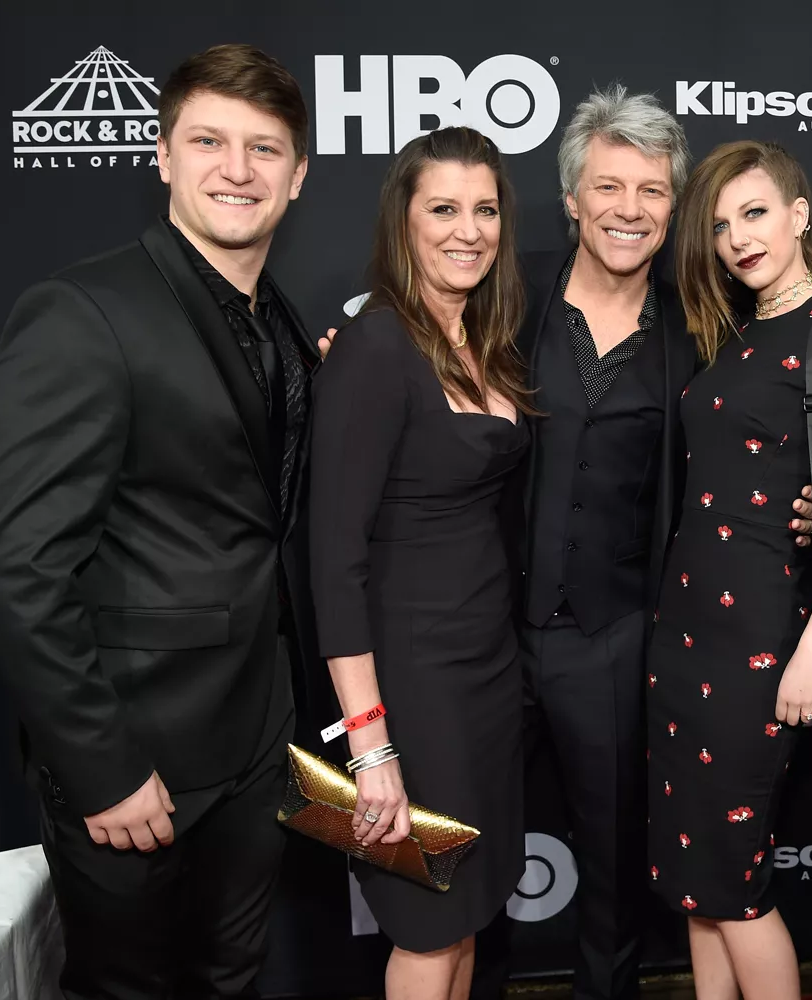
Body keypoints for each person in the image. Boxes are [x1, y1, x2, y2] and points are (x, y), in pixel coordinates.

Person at [0, 44, 318, 999]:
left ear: (298, 176)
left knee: (231, 979)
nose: (237, 169)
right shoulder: (84, 311)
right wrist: (101, 768)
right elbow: (22, 572)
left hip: (256, 746)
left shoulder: (282, 321)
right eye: (209, 141)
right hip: (139, 756)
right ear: (163, 156)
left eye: (264, 148)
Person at [470, 87, 812, 1000]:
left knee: (617, 874)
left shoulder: (703, 329)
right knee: (471, 864)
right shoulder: (503, 293)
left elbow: (774, 439)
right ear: (572, 200)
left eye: (652, 192)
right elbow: (411, 374)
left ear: (674, 208)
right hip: (487, 633)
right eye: (608, 187)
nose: (630, 209)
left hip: (619, 636)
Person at [646, 140, 812, 1000]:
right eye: (718, 225)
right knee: (698, 882)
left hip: (761, 643)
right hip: (682, 641)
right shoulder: (737, 336)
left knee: (736, 889)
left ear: (800, 215)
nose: (738, 238)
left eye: (754, 213)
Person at [308, 126, 531, 1000]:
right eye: (442, 208)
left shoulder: (488, 338)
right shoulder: (375, 347)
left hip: (487, 675)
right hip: (410, 685)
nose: (467, 230)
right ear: (403, 220)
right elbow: (335, 558)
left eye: (485, 210)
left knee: (469, 916)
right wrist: (371, 747)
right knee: (429, 926)